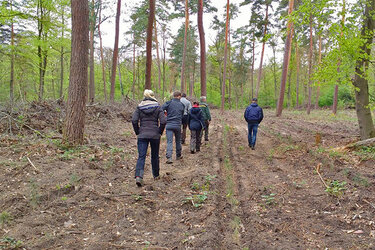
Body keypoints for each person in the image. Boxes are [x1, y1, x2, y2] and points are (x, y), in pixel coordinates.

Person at [132, 89, 166, 187]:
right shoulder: (158, 106)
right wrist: (159, 131)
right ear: (153, 96)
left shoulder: (139, 107)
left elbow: (134, 120)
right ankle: (156, 175)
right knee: (155, 156)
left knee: (141, 156)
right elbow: (163, 121)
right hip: (154, 135)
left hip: (142, 134)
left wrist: (138, 132)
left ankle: (139, 176)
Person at [162, 91, 185, 164]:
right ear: (179, 96)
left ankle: (169, 157)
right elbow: (182, 114)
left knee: (169, 141)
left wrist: (165, 116)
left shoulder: (168, 103)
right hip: (178, 125)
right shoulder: (182, 105)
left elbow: (161, 108)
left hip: (169, 124)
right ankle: (178, 155)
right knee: (178, 141)